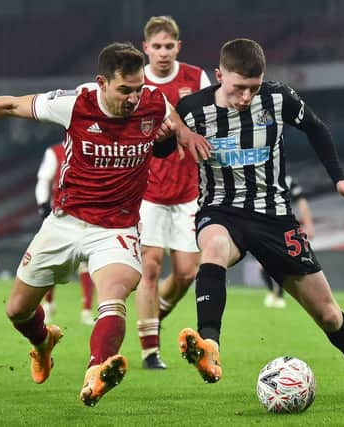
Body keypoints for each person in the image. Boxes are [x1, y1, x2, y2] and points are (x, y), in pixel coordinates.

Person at [0, 42, 211, 407]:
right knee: (17, 310)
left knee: (113, 297)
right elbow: (10, 104)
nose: (134, 98)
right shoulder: (75, 104)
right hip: (64, 222)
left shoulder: (152, 101)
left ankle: (97, 371)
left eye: (137, 88)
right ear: (101, 82)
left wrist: (185, 134)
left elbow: (172, 119)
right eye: (125, 90)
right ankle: (42, 342)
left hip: (116, 229)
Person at [174, 38, 344, 400]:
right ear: (218, 76)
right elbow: (158, 147)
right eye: (238, 88)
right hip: (221, 210)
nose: (246, 97)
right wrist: (173, 133)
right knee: (213, 246)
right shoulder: (190, 110)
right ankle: (210, 345)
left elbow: (316, 127)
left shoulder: (278, 98)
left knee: (327, 313)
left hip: (275, 218)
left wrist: (339, 178)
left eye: (253, 88)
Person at [135, 15, 212, 370]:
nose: (163, 53)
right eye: (157, 47)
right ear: (145, 48)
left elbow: (211, 124)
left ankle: (156, 317)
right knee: (149, 267)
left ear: (178, 47)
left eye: (169, 46)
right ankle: (150, 350)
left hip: (188, 191)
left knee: (185, 273)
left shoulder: (196, 79)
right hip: (147, 191)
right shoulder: (135, 81)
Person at [36, 142, 95, 325]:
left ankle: (86, 310)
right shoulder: (55, 152)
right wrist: (43, 206)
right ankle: (49, 304)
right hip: (60, 216)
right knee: (52, 261)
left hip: (85, 214)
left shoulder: (92, 149)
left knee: (85, 262)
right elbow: (44, 180)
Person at [261, 175, 314, 309]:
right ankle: (275, 294)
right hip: (264, 226)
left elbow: (302, 202)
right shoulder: (259, 176)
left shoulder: (287, 180)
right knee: (263, 266)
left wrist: (308, 224)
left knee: (277, 264)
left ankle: (278, 296)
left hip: (283, 226)